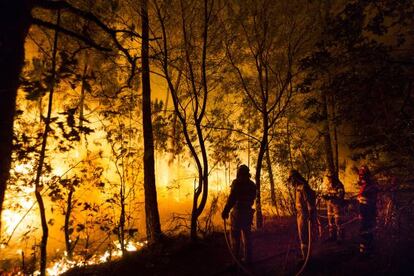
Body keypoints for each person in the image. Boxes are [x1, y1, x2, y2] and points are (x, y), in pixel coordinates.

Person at [222, 165, 256, 263]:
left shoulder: (237, 183)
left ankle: (235, 260)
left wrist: (226, 210)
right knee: (247, 237)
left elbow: (232, 198)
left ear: (239, 173)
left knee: (235, 237)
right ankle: (248, 259)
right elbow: (252, 199)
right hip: (248, 213)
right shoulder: (252, 184)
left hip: (238, 213)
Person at [288, 169, 317, 259]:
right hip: (300, 214)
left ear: (295, 178)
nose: (291, 182)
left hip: (304, 215)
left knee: (304, 235)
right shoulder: (297, 188)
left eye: (292, 179)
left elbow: (309, 203)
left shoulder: (303, 187)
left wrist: (310, 215)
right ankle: (305, 255)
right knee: (302, 235)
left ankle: (307, 257)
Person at [357, 165, 378, 256]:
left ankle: (368, 252)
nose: (361, 176)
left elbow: (370, 201)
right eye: (360, 174)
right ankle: (364, 250)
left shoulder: (371, 186)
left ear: (367, 175)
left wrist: (363, 213)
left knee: (367, 231)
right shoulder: (364, 185)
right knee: (363, 231)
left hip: (368, 212)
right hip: (363, 211)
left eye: (363, 175)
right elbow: (361, 199)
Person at [322, 171, 345, 242]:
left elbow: (341, 195)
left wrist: (332, 196)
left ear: (333, 177)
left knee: (338, 221)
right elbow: (326, 192)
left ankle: (340, 238)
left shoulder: (339, 185)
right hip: (329, 205)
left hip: (337, 205)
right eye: (328, 177)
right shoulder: (329, 184)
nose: (329, 179)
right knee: (330, 221)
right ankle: (332, 236)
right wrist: (325, 196)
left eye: (330, 177)